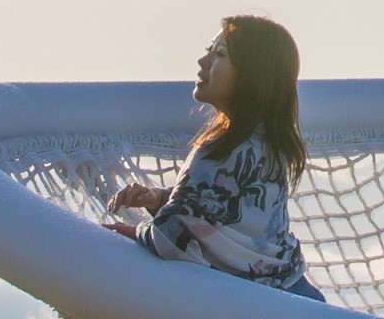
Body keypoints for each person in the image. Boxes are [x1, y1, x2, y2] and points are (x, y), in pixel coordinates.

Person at [107, 16, 323, 300]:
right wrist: (160, 199)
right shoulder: (269, 145)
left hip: (263, 314)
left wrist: (129, 234)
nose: (202, 61)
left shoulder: (219, 149)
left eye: (219, 54)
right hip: (299, 297)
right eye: (209, 50)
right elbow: (228, 211)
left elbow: (174, 239)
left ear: (252, 76)